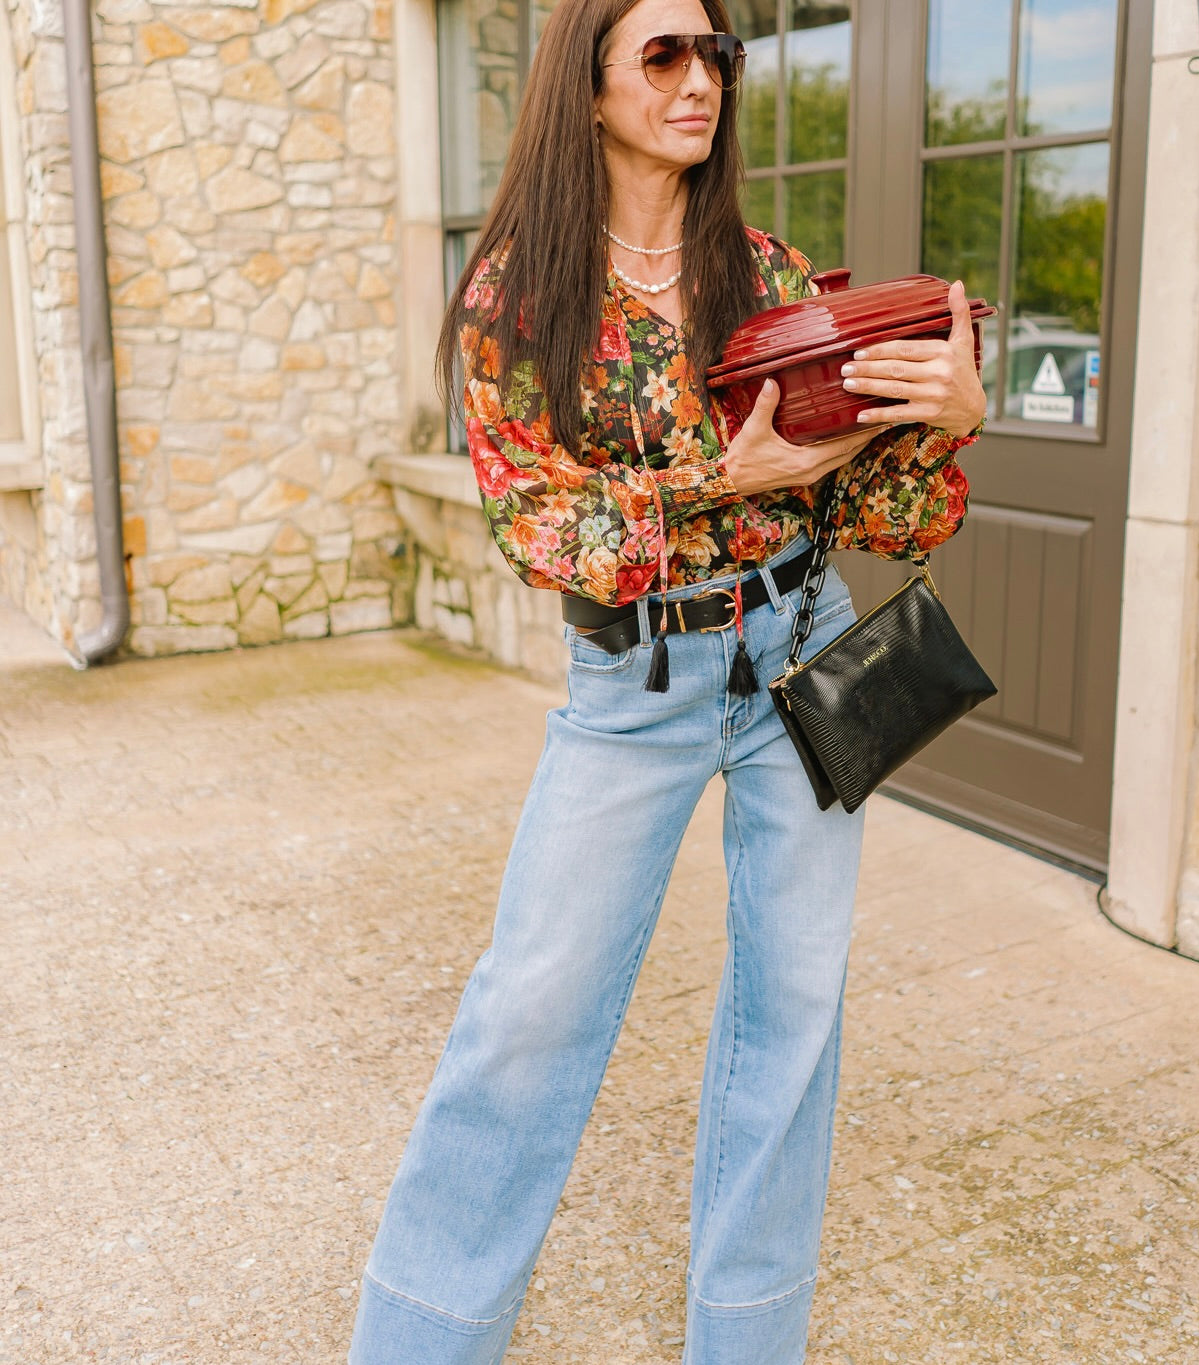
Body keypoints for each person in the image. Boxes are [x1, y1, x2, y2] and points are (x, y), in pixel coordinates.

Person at [349, 0, 986, 1360]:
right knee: (529, 1013)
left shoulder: (764, 271)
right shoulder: (517, 293)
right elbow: (536, 524)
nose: (699, 80)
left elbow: (871, 512)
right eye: (663, 54)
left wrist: (943, 427)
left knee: (794, 1015)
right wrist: (715, 476)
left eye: (718, 55)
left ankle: (746, 1342)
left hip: (802, 649)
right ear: (587, 87)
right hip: (633, 683)